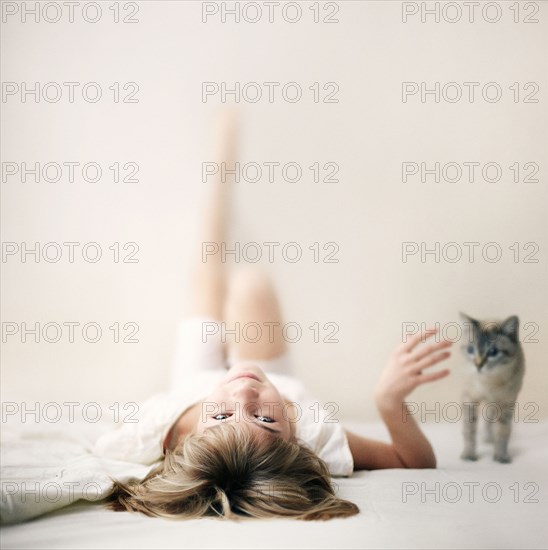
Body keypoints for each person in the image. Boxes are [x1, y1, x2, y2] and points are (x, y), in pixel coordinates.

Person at [96, 112, 452, 521]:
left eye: (223, 416)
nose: (243, 396)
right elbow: (414, 463)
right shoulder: (312, 436)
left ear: (192, 435)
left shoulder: (157, 431)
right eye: (265, 419)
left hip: (190, 389)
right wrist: (389, 404)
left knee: (211, 272)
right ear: (295, 441)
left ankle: (221, 169)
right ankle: (228, 194)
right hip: (280, 384)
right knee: (251, 285)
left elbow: (108, 446)